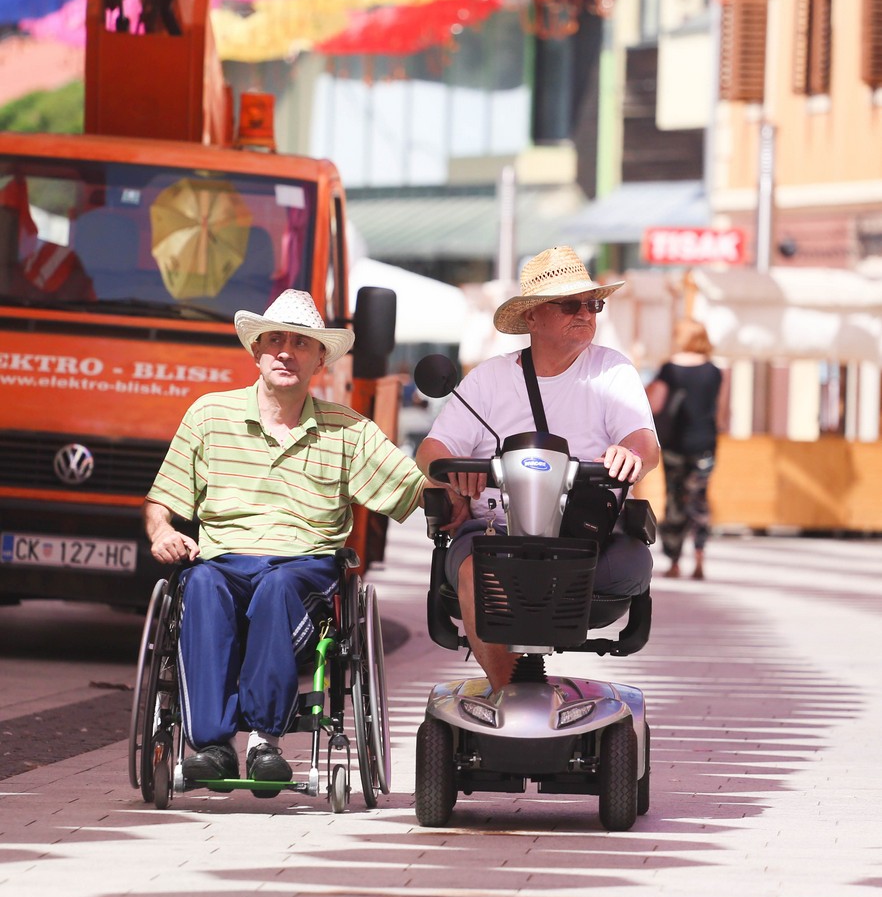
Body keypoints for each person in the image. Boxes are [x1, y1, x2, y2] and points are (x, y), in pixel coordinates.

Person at [143, 290, 428, 785]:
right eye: (274, 340)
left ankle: (263, 740)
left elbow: (415, 490)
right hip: (224, 559)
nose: (285, 352)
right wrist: (162, 529)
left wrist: (467, 492)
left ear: (320, 359)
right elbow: (161, 500)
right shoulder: (209, 415)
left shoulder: (349, 432)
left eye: (300, 343)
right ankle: (212, 745)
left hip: (304, 566)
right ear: (256, 351)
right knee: (202, 585)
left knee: (276, 588)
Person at [416, 245, 659, 692]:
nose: (584, 313)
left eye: (592, 304)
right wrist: (449, 477)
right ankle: (505, 693)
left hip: (585, 536)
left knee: (628, 563)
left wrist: (631, 455)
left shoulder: (612, 370)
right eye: (569, 304)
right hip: (496, 533)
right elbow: (431, 450)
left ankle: (511, 698)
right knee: (475, 570)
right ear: (531, 317)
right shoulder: (489, 378)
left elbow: (643, 442)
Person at [646, 317, 723, 581]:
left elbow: (655, 404)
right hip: (705, 444)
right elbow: (720, 411)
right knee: (699, 500)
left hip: (675, 444)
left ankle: (674, 561)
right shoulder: (714, 371)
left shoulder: (669, 369)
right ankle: (700, 556)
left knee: (675, 499)